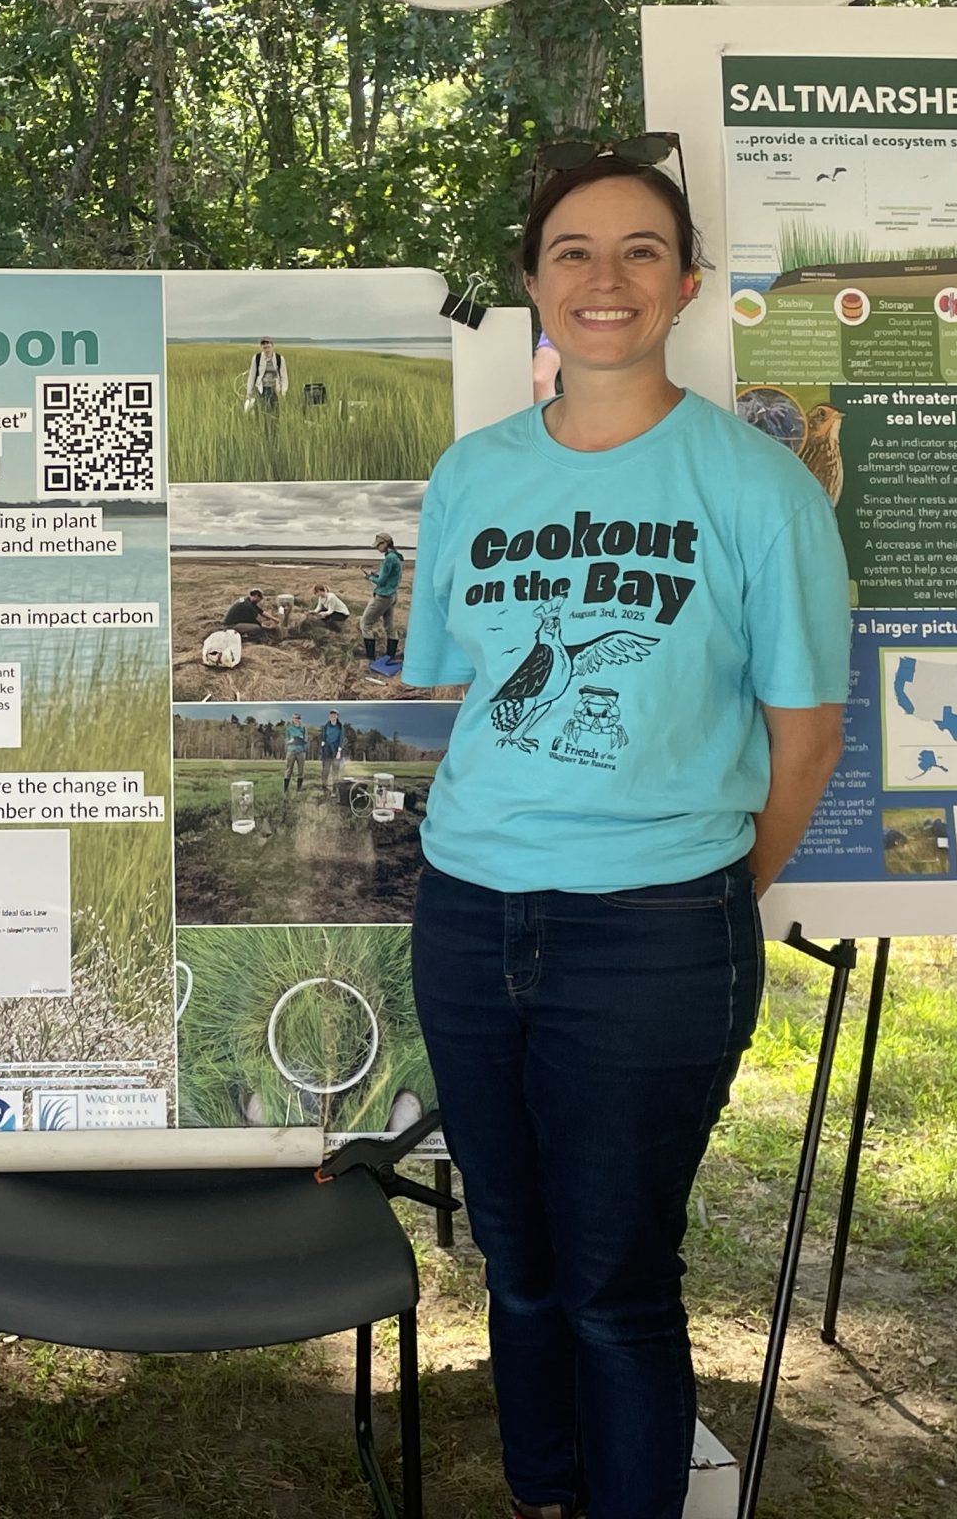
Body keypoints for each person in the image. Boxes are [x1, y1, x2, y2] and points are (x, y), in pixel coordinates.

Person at [401, 141, 847, 1519]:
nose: (606, 279)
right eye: (574, 253)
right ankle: (544, 1495)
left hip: (654, 942)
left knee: (614, 1283)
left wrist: (705, 893)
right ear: (532, 285)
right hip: (470, 919)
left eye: (640, 251)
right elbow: (457, 685)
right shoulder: (471, 477)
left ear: (688, 284)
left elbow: (807, 736)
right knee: (515, 1264)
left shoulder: (757, 487)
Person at [360, 533, 402, 663]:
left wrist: (370, 577)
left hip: (383, 596)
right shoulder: (396, 557)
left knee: (365, 624)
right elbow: (388, 577)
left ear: (385, 543)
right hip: (392, 595)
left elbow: (382, 581)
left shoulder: (389, 558)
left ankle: (370, 657)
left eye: (378, 545)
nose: (377, 548)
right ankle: (390, 655)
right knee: (389, 626)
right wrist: (376, 575)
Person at [244, 336, 290, 412]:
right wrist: (249, 392)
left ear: (272, 346)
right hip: (261, 390)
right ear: (261, 347)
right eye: (264, 346)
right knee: (260, 412)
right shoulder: (257, 358)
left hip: (274, 390)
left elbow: (284, 377)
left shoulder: (279, 358)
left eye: (268, 346)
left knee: (274, 413)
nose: (266, 348)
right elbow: (252, 376)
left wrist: (283, 392)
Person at [318, 709, 348, 786]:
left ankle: (335, 788)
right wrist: (322, 746)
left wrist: (339, 751)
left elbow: (341, 739)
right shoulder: (326, 726)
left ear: (337, 716)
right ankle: (324, 786)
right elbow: (323, 737)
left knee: (335, 770)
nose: (332, 717)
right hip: (327, 750)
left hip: (336, 750)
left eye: (334, 715)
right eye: (331, 715)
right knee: (325, 770)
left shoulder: (340, 726)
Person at [281, 715, 310, 790]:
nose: (296, 720)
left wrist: (302, 739)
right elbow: (286, 740)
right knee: (288, 770)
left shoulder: (303, 728)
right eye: (295, 718)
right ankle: (285, 790)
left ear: (300, 720)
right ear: (293, 719)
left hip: (301, 751)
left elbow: (306, 739)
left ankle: (298, 789)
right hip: (291, 751)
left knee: (301, 771)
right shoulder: (289, 729)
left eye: (298, 718)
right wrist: (290, 741)